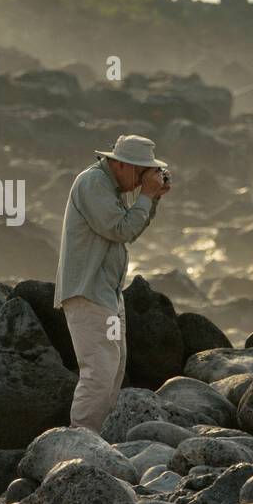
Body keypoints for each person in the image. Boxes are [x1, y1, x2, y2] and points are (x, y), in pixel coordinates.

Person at [54, 134, 172, 434]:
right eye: (141, 171)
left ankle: (99, 440)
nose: (141, 180)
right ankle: (82, 440)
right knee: (99, 373)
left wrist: (152, 197)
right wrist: (146, 195)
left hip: (107, 293)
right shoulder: (93, 184)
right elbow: (120, 229)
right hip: (88, 292)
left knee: (114, 369)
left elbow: (130, 228)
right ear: (120, 164)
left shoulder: (111, 187)